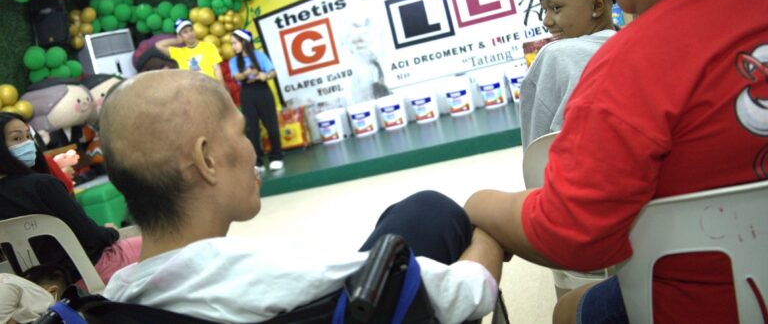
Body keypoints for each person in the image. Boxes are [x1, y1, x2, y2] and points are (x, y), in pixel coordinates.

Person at [465, 0, 768, 323]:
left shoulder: (636, 61)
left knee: (567, 312)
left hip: (710, 304)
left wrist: (479, 206)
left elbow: (574, 234)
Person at [99, 69, 503, 323]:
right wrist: (489, 233)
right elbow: (469, 292)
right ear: (207, 160)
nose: (252, 148)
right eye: (242, 132)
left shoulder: (114, 299)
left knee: (416, 212)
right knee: (435, 209)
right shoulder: (277, 275)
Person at [0, 112, 142, 285]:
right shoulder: (43, 185)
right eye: (17, 138)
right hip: (89, 272)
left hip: (41, 287)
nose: (28, 143)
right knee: (158, 245)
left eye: (28, 136)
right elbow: (92, 237)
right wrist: (111, 232)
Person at [520, 0, 617, 149]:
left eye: (556, 8)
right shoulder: (635, 45)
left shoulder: (555, 55)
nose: (547, 21)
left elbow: (537, 148)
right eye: (545, 11)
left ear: (597, 5)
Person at [229, 29, 284, 171]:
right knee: (251, 128)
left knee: (271, 124)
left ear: (244, 42)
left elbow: (273, 72)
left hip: (263, 91)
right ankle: (257, 161)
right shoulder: (233, 61)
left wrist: (264, 75)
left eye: (235, 43)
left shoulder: (259, 55)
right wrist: (247, 73)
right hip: (247, 93)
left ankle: (276, 156)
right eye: (232, 44)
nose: (233, 46)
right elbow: (236, 77)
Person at [155, 19, 223, 82]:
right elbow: (159, 45)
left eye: (191, 30)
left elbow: (217, 69)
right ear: (180, 36)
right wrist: (177, 41)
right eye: (185, 32)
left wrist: (221, 86)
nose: (190, 34)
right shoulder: (179, 52)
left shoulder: (208, 46)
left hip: (210, 85)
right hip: (190, 88)